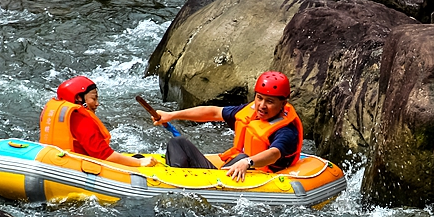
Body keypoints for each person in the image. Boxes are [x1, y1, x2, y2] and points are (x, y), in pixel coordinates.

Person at [153, 71, 303, 182]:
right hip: (234, 168)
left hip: (259, 174)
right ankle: (176, 181)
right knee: (177, 143)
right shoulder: (250, 111)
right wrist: (171, 115)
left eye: (269, 101)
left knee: (243, 157)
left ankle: (178, 185)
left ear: (283, 104)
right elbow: (213, 112)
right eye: (259, 98)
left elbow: (274, 154)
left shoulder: (286, 130)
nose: (262, 106)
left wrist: (247, 162)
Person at [39, 76, 156, 168]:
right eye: (94, 99)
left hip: (56, 160)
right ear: (79, 98)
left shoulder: (61, 113)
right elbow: (104, 155)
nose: (97, 103)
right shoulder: (81, 120)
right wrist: (139, 162)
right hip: (72, 167)